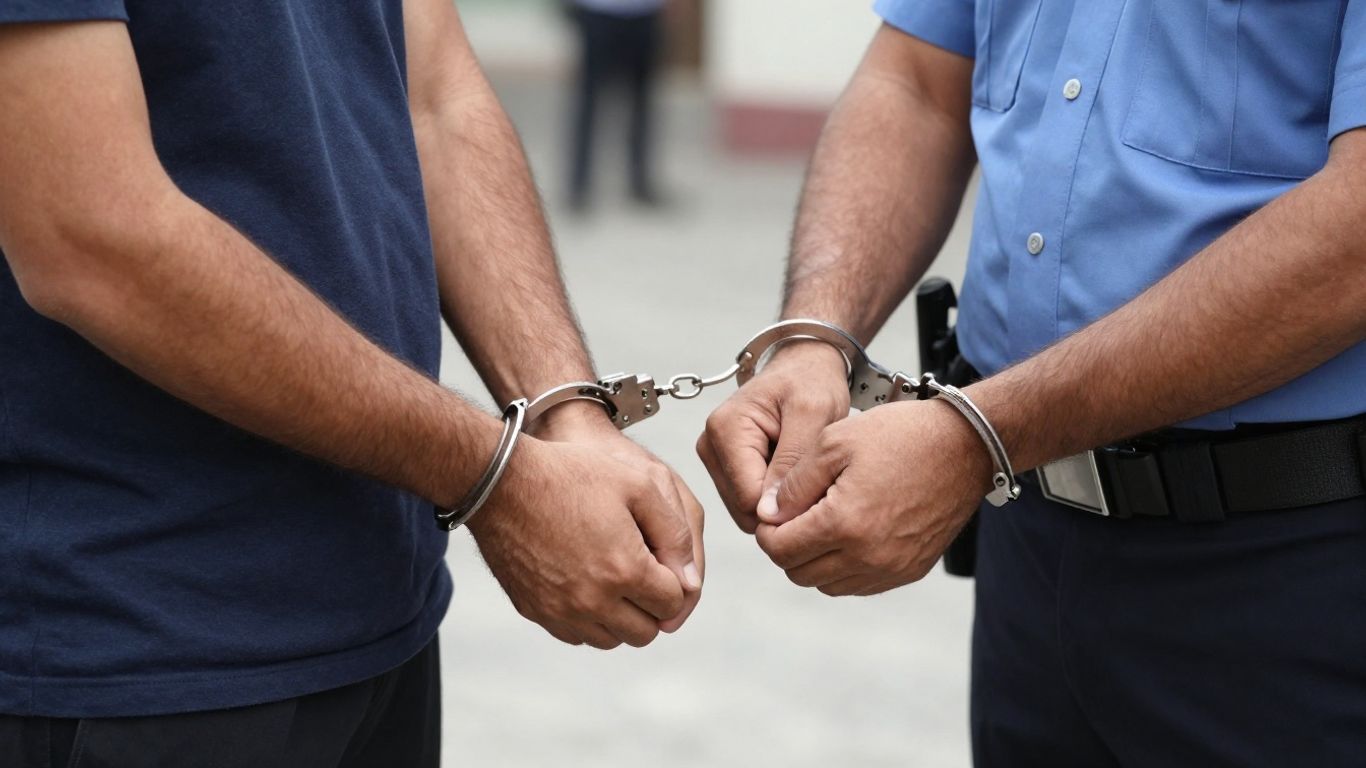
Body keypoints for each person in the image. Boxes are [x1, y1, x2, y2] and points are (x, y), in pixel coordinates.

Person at [0, 1, 703, 765]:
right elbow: (91, 235)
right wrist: (497, 478)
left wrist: (569, 413)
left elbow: (436, 92)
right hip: (131, 637)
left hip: (380, 621)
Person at [698, 1, 1366, 765]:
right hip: (1028, 548)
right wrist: (815, 338)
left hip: (1291, 570)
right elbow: (916, 82)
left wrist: (977, 437)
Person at [566, 0, 668, 210]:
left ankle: (640, 182)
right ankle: (578, 185)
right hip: (599, 11)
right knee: (589, 102)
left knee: (641, 103)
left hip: (645, 12)